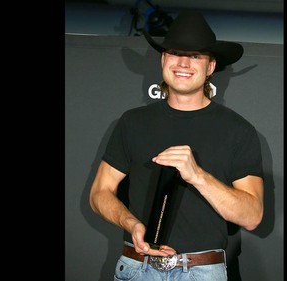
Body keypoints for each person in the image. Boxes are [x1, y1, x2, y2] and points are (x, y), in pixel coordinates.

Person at [89, 10, 264, 281]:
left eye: (195, 56)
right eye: (175, 52)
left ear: (210, 67)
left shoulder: (238, 131)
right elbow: (99, 193)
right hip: (137, 268)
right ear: (163, 59)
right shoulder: (133, 122)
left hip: (203, 272)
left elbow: (252, 215)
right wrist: (131, 223)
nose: (183, 62)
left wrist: (198, 176)